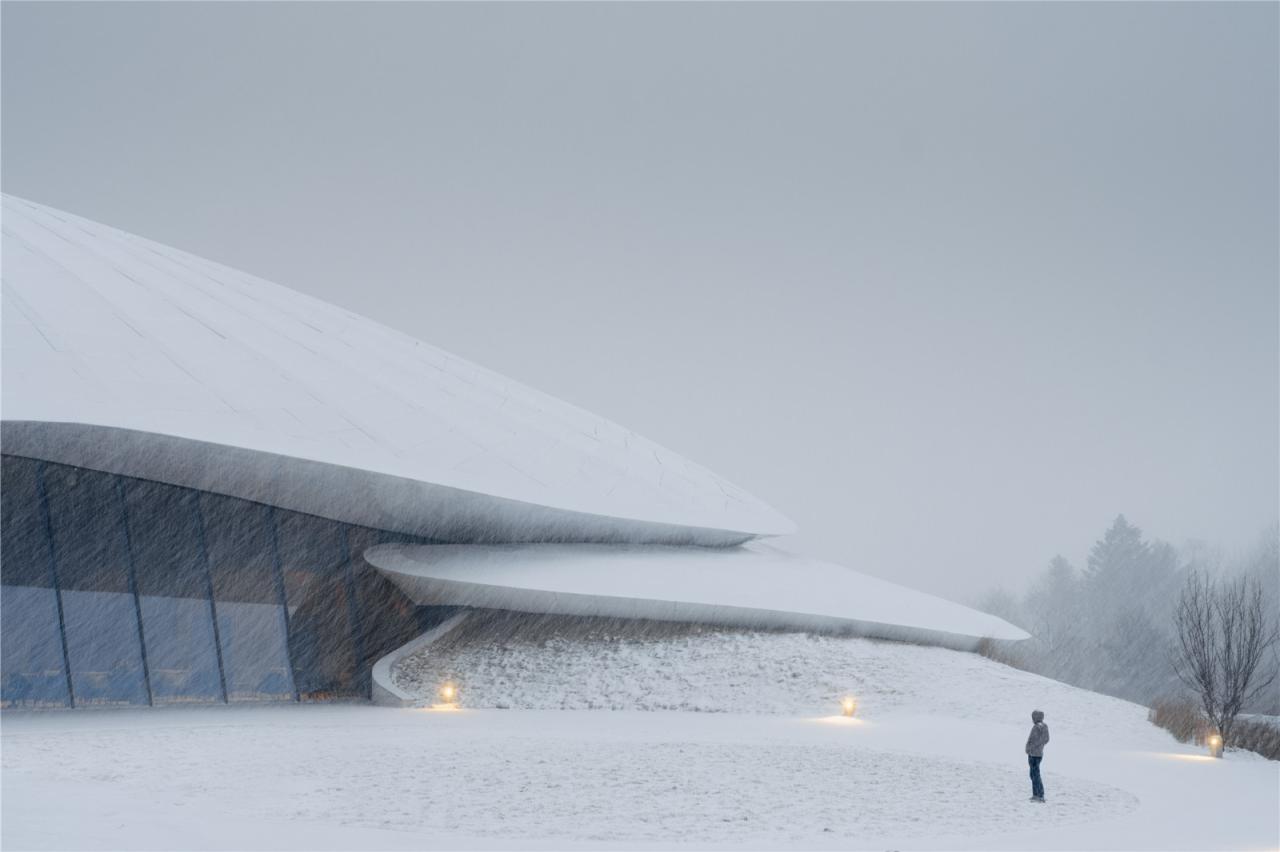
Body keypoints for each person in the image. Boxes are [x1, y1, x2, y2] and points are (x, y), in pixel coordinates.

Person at [1025, 709, 1050, 802]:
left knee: (1034, 774)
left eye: (1033, 717)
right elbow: (1046, 739)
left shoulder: (1037, 727)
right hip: (1039, 753)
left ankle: (1038, 794)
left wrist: (1030, 748)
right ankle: (1038, 794)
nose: (1032, 719)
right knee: (1035, 774)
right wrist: (1040, 746)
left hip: (1033, 754)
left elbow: (1034, 740)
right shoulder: (1044, 726)